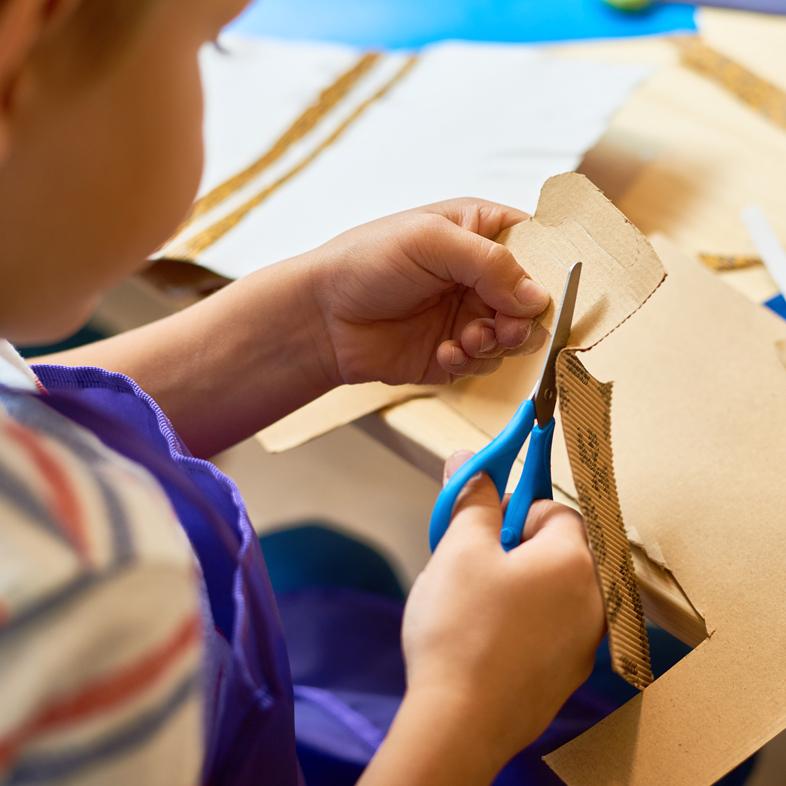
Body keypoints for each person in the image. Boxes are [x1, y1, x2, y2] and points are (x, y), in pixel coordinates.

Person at [0, 1, 604, 784]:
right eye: (206, 46)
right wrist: (466, 714)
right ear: (17, 64)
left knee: (325, 559)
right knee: (641, 680)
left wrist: (309, 329)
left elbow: (24, 415)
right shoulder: (83, 594)